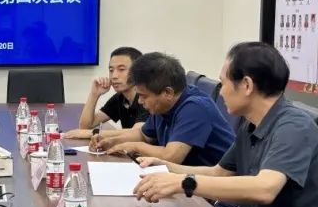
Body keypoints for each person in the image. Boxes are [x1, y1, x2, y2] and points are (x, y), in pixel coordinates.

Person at [133, 42, 318, 207]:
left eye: (224, 82)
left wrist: (185, 183)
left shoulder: (294, 127)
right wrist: (166, 166)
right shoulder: (252, 124)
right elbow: (220, 172)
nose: (221, 92)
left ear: (246, 85)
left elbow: (265, 188)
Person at [99, 51, 235, 167]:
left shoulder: (195, 107)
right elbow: (144, 135)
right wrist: (113, 141)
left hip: (216, 185)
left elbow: (171, 157)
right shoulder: (162, 105)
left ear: (168, 93)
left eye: (143, 96)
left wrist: (134, 146)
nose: (140, 101)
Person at [62, 46, 147, 145]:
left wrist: (93, 133)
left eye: (121, 69)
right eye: (111, 70)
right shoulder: (120, 97)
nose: (114, 76)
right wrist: (94, 94)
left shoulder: (146, 98)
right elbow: (85, 126)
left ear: (138, 72)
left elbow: (137, 133)